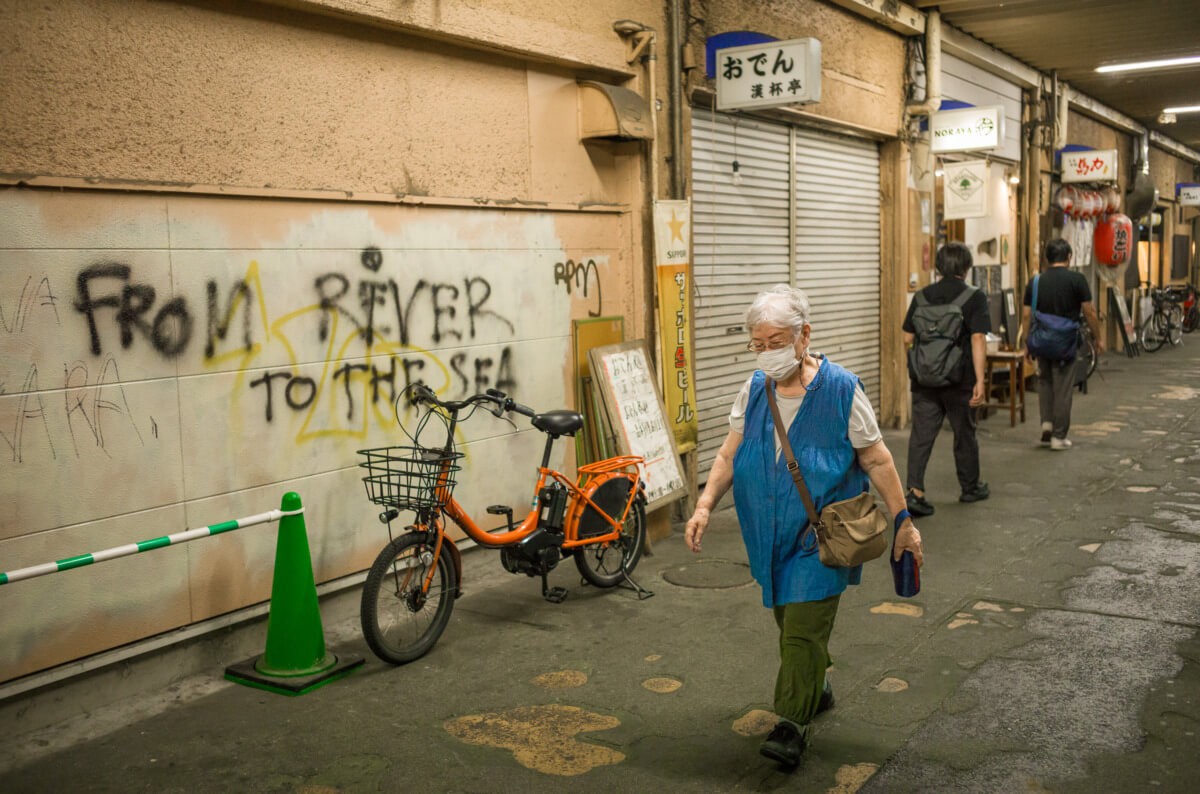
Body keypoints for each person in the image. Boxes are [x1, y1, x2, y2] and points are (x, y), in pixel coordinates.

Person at [684, 284, 924, 767]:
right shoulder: (754, 389)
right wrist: (705, 503)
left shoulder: (841, 389)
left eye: (776, 342)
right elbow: (729, 453)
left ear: (803, 336)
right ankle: (816, 682)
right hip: (768, 533)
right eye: (758, 344)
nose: (767, 353)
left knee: (799, 630)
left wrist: (903, 521)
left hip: (823, 536)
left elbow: (876, 459)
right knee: (789, 620)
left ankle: (791, 724)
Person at [901, 242, 991, 517]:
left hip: (924, 382)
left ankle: (915, 493)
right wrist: (980, 380)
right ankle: (970, 487)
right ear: (966, 267)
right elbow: (977, 338)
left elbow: (907, 338)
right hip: (958, 379)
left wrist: (923, 364)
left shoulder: (922, 296)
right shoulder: (974, 297)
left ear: (939, 267)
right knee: (964, 433)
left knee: (920, 437)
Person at [1022, 238, 1104, 450]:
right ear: (1069, 257)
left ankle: (1047, 424)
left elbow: (1025, 315)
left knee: (1045, 383)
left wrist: (1027, 343)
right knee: (1063, 387)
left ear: (1046, 259)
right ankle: (1059, 436)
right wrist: (1098, 337)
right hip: (1066, 343)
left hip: (1041, 342)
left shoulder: (1036, 282)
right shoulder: (1077, 280)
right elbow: (1089, 311)